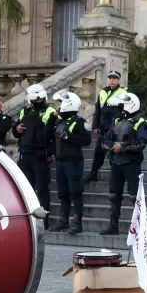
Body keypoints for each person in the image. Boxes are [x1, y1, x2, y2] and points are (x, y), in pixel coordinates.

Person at [101, 92, 147, 235]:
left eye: (122, 105)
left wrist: (122, 146)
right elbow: (105, 139)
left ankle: (139, 229)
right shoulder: (117, 120)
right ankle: (113, 225)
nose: (120, 108)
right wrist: (112, 146)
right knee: (114, 195)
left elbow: (141, 143)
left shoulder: (141, 122)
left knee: (135, 197)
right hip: (116, 162)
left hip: (131, 163)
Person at [13, 84, 57, 225]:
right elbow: (17, 130)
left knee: (42, 188)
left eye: (40, 98)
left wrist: (50, 153)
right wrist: (16, 129)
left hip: (40, 155)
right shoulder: (24, 111)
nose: (38, 100)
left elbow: (52, 135)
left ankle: (44, 220)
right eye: (35, 99)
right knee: (26, 189)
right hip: (25, 154)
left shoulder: (50, 111)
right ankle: (28, 219)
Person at [52, 90, 90, 235]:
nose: (59, 106)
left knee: (75, 192)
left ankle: (77, 222)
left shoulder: (79, 122)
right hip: (60, 161)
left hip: (73, 162)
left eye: (61, 103)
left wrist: (69, 137)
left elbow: (86, 140)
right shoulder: (59, 122)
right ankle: (63, 221)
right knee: (62, 193)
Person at [89, 70, 126, 181]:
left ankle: (116, 177)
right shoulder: (103, 92)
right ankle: (93, 173)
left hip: (116, 128)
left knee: (115, 153)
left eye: (114, 78)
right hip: (103, 128)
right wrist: (95, 125)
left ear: (118, 80)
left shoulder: (123, 93)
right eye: (110, 78)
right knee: (99, 152)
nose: (111, 80)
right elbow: (97, 111)